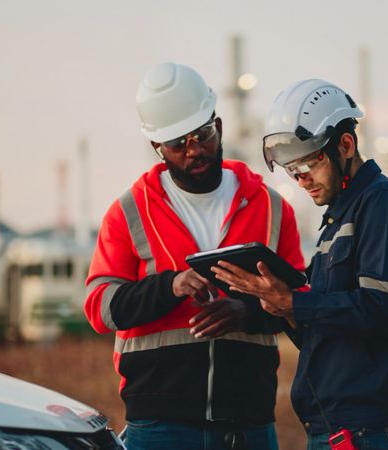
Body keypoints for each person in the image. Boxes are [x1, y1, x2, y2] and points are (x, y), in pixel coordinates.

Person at [83, 62, 305, 450]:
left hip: (247, 423)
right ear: (158, 148)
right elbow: (99, 307)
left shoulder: (271, 208)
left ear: (218, 127)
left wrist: (247, 313)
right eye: (178, 143)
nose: (194, 150)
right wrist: (170, 286)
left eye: (202, 135)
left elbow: (300, 304)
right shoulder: (130, 212)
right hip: (159, 426)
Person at [213, 79, 388, 450]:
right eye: (291, 171)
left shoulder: (385, 207)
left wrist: (294, 303)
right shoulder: (336, 221)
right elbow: (328, 331)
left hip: (368, 433)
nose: (301, 181)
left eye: (305, 165)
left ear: (345, 145)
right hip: (335, 431)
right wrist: (276, 305)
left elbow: (383, 311)